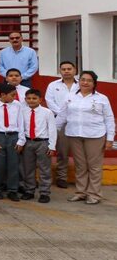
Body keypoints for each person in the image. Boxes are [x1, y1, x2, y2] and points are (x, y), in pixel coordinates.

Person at [56, 71, 115, 205]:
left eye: (89, 80)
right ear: (79, 81)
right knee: (80, 165)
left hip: (95, 135)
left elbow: (109, 119)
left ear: (94, 83)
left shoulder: (101, 98)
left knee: (94, 166)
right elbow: (62, 116)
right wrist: (53, 132)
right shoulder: (70, 96)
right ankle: (81, 192)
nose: (85, 82)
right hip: (74, 134)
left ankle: (94, 194)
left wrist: (110, 139)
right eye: (82, 79)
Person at [0, 83, 26, 201]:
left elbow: (21, 122)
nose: (14, 97)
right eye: (12, 95)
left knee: (14, 164)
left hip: (14, 135)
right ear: (3, 94)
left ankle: (12, 190)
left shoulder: (17, 105)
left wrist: (21, 140)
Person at [45, 61, 79, 189]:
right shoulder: (53, 85)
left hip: (78, 122)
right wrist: (62, 114)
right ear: (60, 71)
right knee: (62, 152)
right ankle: (61, 177)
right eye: (63, 69)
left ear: (75, 70)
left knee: (79, 153)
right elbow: (49, 101)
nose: (66, 71)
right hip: (60, 121)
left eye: (69, 69)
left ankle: (81, 179)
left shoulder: (81, 85)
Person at [19, 89, 57, 203]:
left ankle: (44, 192)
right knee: (28, 168)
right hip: (27, 142)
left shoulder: (47, 112)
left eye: (34, 98)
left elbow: (52, 129)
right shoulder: (22, 111)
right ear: (25, 100)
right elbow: (21, 127)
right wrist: (21, 142)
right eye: (29, 98)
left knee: (44, 168)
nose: (31, 100)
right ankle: (29, 190)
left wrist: (52, 146)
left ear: (40, 99)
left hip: (43, 142)